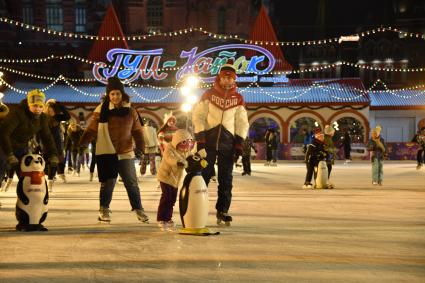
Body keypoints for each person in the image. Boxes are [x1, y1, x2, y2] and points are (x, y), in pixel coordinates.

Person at [79, 77, 149, 223]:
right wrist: (83, 142)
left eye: (118, 93)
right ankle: (104, 209)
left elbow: (137, 131)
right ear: (108, 95)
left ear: (122, 94)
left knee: (131, 182)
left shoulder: (131, 111)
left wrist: (141, 148)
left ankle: (139, 209)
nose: (115, 97)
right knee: (108, 182)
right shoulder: (101, 111)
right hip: (107, 151)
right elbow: (92, 129)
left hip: (126, 151)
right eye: (112, 94)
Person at [192, 62, 249, 225]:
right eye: (225, 77)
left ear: (234, 80)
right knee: (203, 176)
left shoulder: (238, 98)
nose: (227, 81)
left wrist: (239, 143)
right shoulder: (208, 94)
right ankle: (198, 207)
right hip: (208, 143)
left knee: (226, 179)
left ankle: (222, 210)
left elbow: (242, 122)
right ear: (219, 78)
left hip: (228, 144)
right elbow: (198, 116)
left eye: (230, 78)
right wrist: (200, 141)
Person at [0, 89, 59, 185]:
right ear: (29, 104)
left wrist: (53, 154)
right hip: (4, 145)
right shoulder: (17, 113)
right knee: (2, 166)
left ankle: (25, 197)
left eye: (41, 106)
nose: (38, 109)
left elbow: (47, 137)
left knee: (26, 173)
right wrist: (9, 154)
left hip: (22, 146)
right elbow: (4, 133)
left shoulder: (42, 118)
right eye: (35, 105)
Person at [156, 129, 193, 231]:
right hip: (166, 177)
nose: (187, 144)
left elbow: (191, 157)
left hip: (175, 180)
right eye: (184, 142)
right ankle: (161, 219)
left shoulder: (186, 152)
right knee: (166, 198)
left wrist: (197, 159)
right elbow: (169, 158)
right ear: (177, 141)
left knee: (172, 200)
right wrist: (178, 162)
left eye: (188, 142)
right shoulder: (169, 148)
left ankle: (168, 218)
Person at [44, 99, 71, 192]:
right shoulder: (42, 118)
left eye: (53, 110)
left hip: (57, 144)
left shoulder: (57, 117)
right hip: (45, 144)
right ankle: (49, 178)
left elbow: (67, 116)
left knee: (55, 163)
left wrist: (58, 103)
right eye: (50, 110)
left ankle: (50, 182)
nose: (51, 112)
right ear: (46, 109)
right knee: (47, 164)